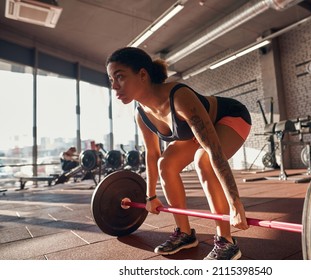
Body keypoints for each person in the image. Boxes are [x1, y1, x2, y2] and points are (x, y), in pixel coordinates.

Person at [106, 47, 252, 260]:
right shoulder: (141, 114)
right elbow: (153, 154)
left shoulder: (179, 97)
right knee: (166, 164)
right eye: (111, 79)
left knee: (203, 160)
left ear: (143, 75)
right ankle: (184, 233)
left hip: (231, 116)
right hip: (198, 132)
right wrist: (150, 196)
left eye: (120, 77)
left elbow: (214, 151)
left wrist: (235, 204)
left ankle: (226, 241)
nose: (114, 86)